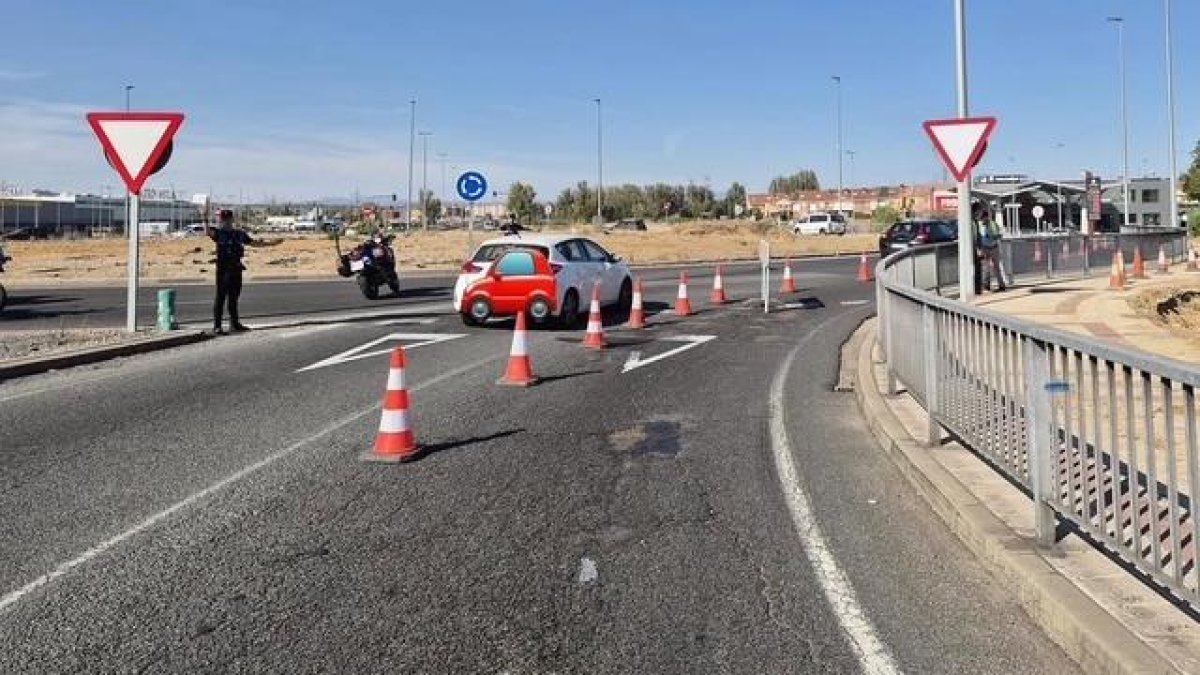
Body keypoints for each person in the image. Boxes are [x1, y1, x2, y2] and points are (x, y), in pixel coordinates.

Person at [206, 209, 280, 335]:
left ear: (230, 219)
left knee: (234, 298)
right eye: (221, 219)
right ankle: (217, 326)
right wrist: (204, 216)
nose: (222, 221)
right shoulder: (219, 233)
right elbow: (207, 231)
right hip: (223, 269)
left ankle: (234, 324)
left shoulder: (239, 234)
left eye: (224, 219)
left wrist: (271, 244)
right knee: (220, 298)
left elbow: (254, 243)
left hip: (236, 268)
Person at [976, 213, 1007, 292]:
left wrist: (994, 236)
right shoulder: (980, 226)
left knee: (996, 267)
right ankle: (986, 286)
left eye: (983, 218)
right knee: (986, 268)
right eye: (981, 218)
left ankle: (1001, 285)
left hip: (994, 247)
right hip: (985, 248)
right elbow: (979, 237)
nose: (982, 220)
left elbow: (1000, 234)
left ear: (986, 217)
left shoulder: (993, 224)